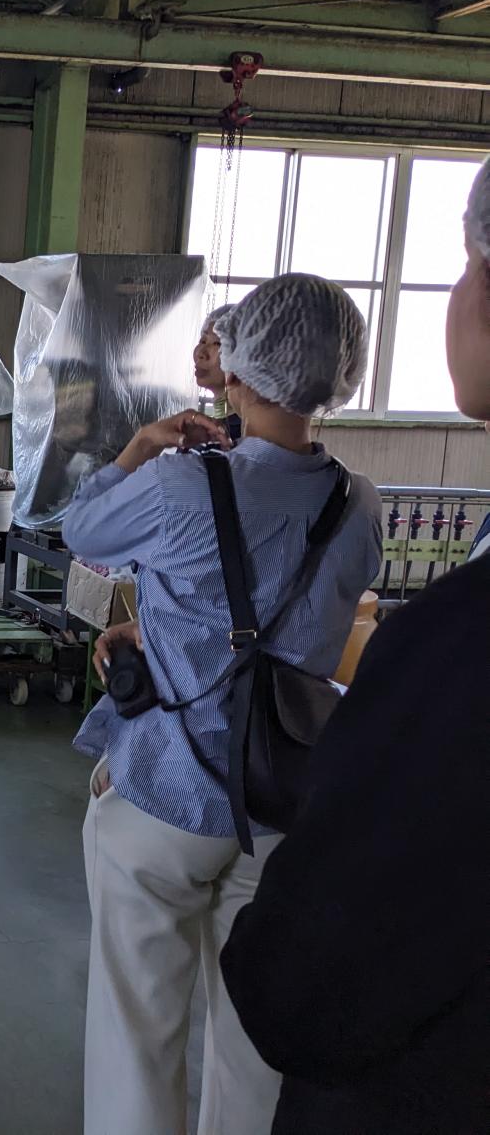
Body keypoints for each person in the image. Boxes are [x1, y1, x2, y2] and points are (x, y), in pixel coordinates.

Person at [66, 273, 384, 1135]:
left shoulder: (183, 485)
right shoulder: (359, 507)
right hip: (283, 798)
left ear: (237, 371)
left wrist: (138, 447)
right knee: (252, 1048)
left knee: (137, 1034)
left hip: (164, 799)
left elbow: (81, 533)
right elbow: (307, 633)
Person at [219, 159, 490, 1134]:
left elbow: (304, 991)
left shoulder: (450, 656)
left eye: (466, 261)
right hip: (282, 764)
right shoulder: (361, 503)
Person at [194, 303, 243, 445]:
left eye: (217, 343)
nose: (200, 353)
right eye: (202, 341)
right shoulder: (208, 429)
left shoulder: (241, 435)